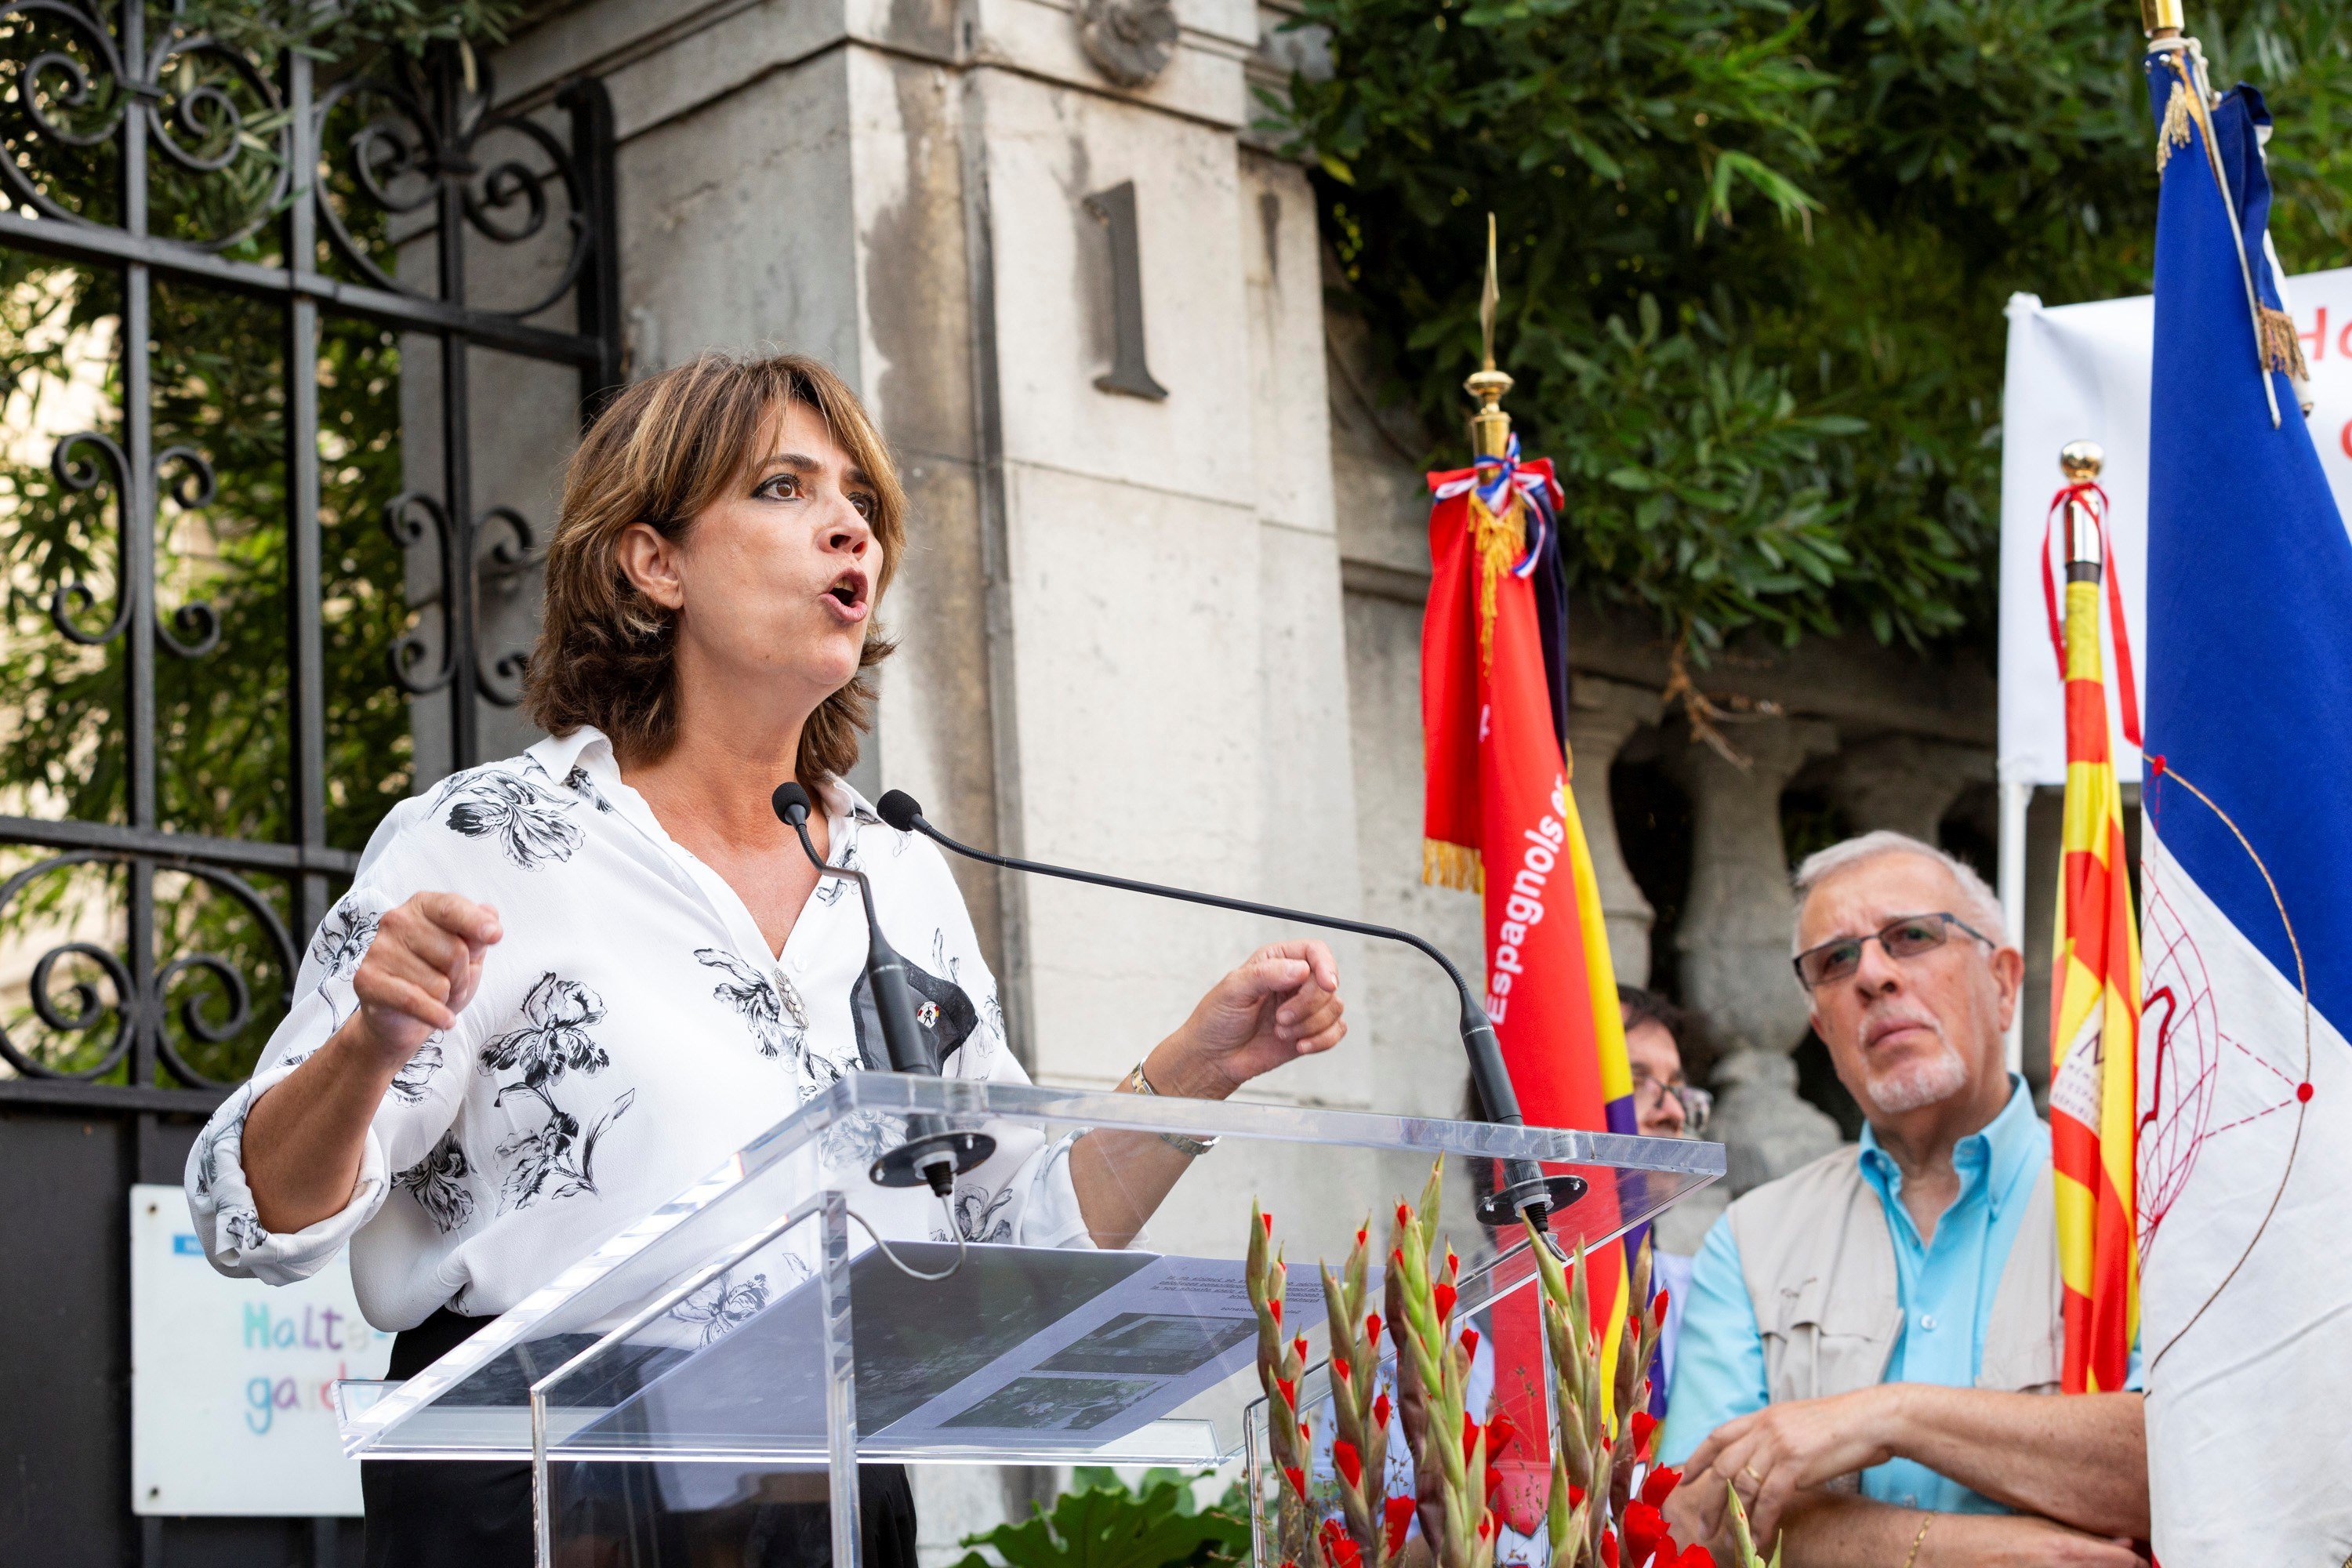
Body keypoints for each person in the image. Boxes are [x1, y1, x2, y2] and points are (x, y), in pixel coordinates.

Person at [181, 352, 1351, 1566]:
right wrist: (373, 1045)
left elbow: (1025, 1234)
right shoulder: (489, 842)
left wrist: (1196, 1071)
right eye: (786, 490)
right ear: (655, 560)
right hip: (549, 1496)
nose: (849, 526)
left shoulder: (893, 876)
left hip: (835, 1496)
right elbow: (246, 1212)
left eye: (861, 504)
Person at [1657, 831, 2148, 1566]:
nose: (1874, 976)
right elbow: (1695, 1516)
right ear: (1822, 1028)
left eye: (1912, 937)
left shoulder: (2133, 1204)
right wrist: (1980, 1552)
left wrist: (1889, 1417)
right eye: (1836, 960)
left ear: (2005, 984)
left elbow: (2195, 1460)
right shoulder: (1753, 1239)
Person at [1619, 984, 1711, 1387]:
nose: (1673, 1112)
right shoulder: (1443, 1332)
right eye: (1632, 1082)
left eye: (1675, 1086)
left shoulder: (1711, 1302)